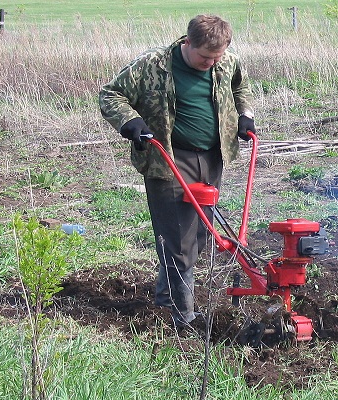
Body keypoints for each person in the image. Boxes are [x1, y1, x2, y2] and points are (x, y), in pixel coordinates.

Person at [99, 14, 255, 330]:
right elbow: (110, 94)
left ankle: (165, 297)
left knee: (199, 235)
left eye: (218, 56)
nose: (212, 62)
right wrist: (131, 123)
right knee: (179, 242)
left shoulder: (227, 62)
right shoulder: (154, 64)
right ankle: (184, 317)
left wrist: (245, 116)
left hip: (213, 157)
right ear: (188, 43)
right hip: (169, 158)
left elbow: (242, 87)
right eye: (205, 57)